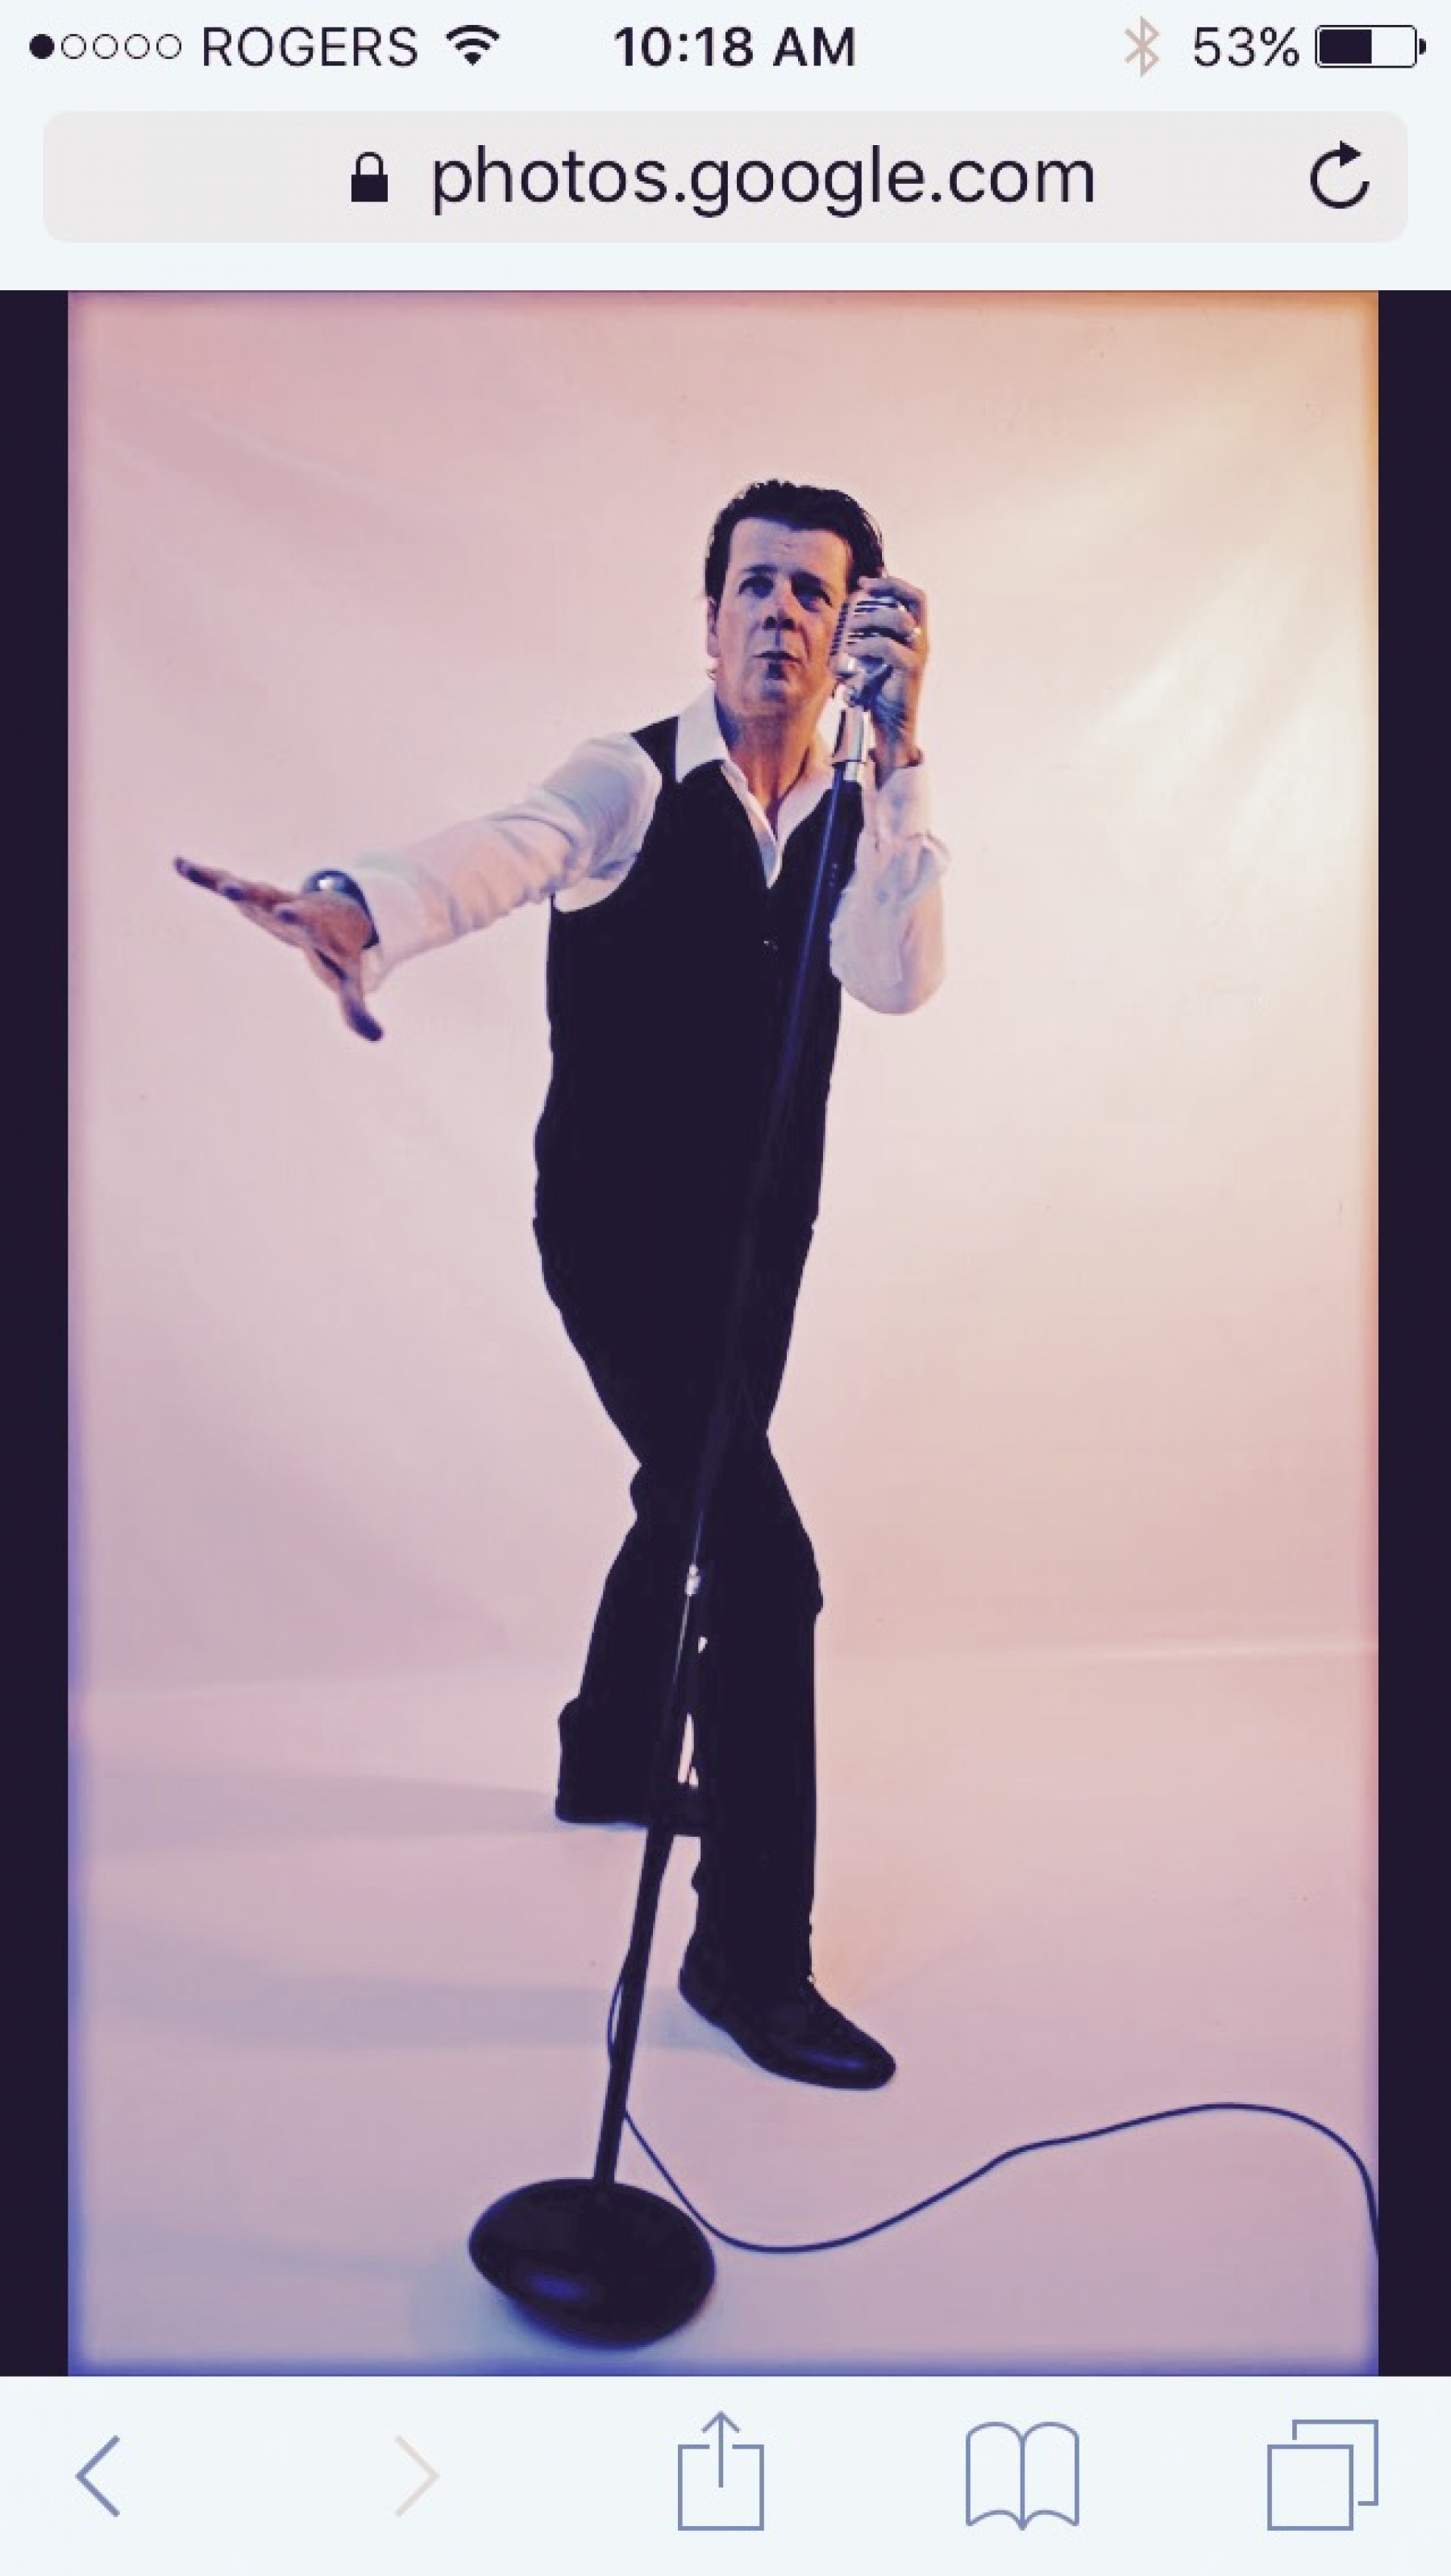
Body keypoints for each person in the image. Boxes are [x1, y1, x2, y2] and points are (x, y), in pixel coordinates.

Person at [177, 479, 948, 2091]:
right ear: (709, 616)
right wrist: (360, 908)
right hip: (615, 1235)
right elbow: (501, 850)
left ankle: (607, 1753)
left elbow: (895, 981)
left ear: (851, 632)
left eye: (814, 592)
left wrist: (905, 760)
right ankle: (747, 1957)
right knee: (766, 1569)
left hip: (763, 1236)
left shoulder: (857, 805)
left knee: (691, 1488)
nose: (780, 613)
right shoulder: (629, 776)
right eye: (754, 585)